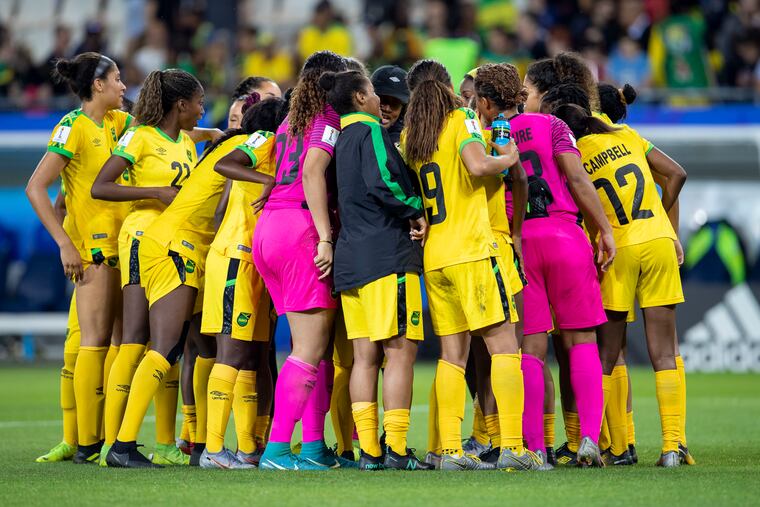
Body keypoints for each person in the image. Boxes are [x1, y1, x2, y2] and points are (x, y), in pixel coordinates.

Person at [478, 63, 617, 468]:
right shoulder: (552, 125)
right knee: (582, 342)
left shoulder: (482, 136)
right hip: (565, 236)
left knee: (531, 351)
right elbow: (577, 178)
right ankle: (589, 439)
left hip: (518, 242)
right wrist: (604, 229)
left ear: (486, 101)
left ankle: (535, 448)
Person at [402, 59, 536, 472]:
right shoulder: (460, 119)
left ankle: (449, 452)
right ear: (449, 92)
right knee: (504, 349)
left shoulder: (412, 137)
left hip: (436, 257)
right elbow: (479, 166)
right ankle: (513, 445)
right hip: (473, 250)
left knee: (452, 357)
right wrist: (508, 158)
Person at [554, 102, 687, 467]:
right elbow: (677, 174)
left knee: (607, 355)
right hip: (659, 240)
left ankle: (600, 444)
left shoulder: (573, 153)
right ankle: (673, 447)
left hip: (618, 249)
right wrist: (661, 214)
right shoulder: (626, 135)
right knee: (664, 352)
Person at [89, 68, 204, 468]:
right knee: (143, 342)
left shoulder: (187, 145)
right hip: (142, 239)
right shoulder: (139, 137)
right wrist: (153, 192)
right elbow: (101, 186)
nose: (203, 111)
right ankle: (116, 443)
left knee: (143, 343)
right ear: (180, 104)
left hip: (173, 242)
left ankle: (126, 444)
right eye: (199, 103)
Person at [319, 69, 431, 471]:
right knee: (399, 353)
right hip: (386, 256)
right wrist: (415, 208)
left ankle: (369, 451)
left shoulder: (337, 139)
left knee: (363, 359)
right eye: (373, 94)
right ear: (362, 96)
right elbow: (382, 181)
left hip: (350, 259)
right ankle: (397, 451)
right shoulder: (370, 133)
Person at [26, 52, 131, 464]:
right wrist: (65, 244)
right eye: (118, 79)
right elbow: (36, 187)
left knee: (122, 344)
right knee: (93, 344)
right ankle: (87, 442)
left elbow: (67, 192)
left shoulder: (117, 123)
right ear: (98, 85)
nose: (124, 86)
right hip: (93, 253)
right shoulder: (73, 126)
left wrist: (212, 133)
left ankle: (108, 439)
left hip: (126, 249)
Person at [253, 50, 349, 471]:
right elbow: (312, 172)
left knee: (309, 348)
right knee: (311, 348)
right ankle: (277, 452)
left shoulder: (289, 122)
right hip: (300, 231)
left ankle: (312, 448)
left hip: (269, 228)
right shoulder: (327, 118)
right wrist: (325, 238)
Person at [370, 65, 409, 144]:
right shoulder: (352, 130)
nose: (387, 109)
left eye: (395, 103)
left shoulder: (404, 142)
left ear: (403, 109)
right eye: (382, 100)